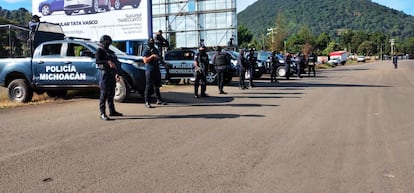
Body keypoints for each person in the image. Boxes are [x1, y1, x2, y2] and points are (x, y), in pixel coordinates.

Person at [95, 35, 123, 121]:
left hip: (112, 74)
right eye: (106, 42)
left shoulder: (111, 52)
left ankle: (112, 110)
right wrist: (107, 62)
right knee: (104, 94)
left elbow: (117, 62)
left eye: (108, 42)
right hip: (105, 74)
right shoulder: (100, 51)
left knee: (111, 93)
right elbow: (97, 61)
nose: (107, 44)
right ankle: (102, 113)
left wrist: (118, 73)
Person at [142, 38, 167, 108]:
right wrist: (152, 56)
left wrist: (164, 64)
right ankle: (147, 102)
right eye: (151, 43)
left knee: (157, 86)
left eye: (153, 42)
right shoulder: (146, 50)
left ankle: (159, 100)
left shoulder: (155, 49)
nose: (152, 44)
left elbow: (159, 58)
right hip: (149, 70)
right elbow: (145, 60)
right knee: (148, 87)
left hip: (156, 69)